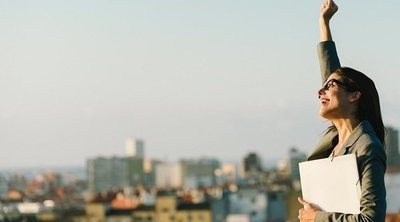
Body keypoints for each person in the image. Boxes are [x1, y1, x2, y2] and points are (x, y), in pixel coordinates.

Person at [297, 0, 387, 221]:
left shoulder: (368, 147)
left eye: (329, 87)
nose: (321, 91)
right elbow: (331, 72)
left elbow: (371, 218)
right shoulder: (337, 138)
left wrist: (316, 217)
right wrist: (324, 23)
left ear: (355, 96)